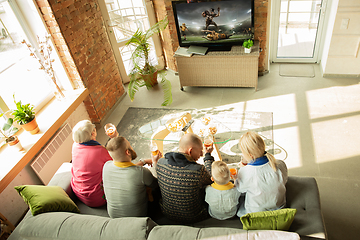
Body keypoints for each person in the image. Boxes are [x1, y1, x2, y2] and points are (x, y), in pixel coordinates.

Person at [155, 133, 214, 223]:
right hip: (195, 216)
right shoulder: (198, 171)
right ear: (190, 151)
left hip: (167, 213)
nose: (202, 154)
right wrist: (208, 156)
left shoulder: (160, 163)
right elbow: (211, 179)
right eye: (200, 151)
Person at [103, 136, 160, 218]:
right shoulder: (141, 172)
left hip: (114, 217)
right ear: (127, 152)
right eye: (130, 146)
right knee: (154, 189)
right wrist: (155, 163)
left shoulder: (106, 166)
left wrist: (143, 162)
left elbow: (126, 168)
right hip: (137, 218)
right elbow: (158, 184)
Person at [235, 131, 288, 217]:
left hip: (256, 213)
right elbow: (285, 180)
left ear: (250, 155)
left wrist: (242, 169)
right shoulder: (280, 164)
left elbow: (240, 189)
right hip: (278, 208)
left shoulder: (245, 172)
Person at [71, 120, 113, 207]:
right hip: (96, 198)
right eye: (93, 127)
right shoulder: (99, 151)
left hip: (78, 193)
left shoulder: (75, 146)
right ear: (92, 134)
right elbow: (117, 161)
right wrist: (115, 138)